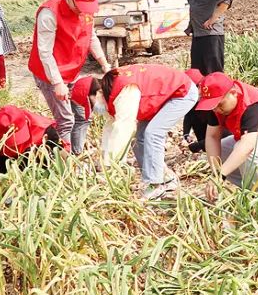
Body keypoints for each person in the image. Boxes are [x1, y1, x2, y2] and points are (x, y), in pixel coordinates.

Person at [71, 65, 199, 199]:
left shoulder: (124, 89)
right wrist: (104, 159)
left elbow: (124, 129)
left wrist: (111, 164)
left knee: (153, 133)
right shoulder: (109, 94)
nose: (93, 109)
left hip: (181, 92)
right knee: (139, 138)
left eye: (91, 104)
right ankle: (166, 178)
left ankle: (154, 184)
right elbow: (110, 129)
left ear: (97, 93)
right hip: (159, 97)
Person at [28, 0, 111, 153]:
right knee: (66, 120)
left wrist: (104, 64)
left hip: (72, 71)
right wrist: (57, 83)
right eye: (80, 6)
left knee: (83, 115)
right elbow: (44, 52)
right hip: (49, 72)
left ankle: (76, 155)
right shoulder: (49, 13)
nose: (83, 12)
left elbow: (91, 36)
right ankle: (63, 164)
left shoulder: (86, 10)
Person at [193, 72, 258, 196]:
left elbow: (247, 147)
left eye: (220, 104)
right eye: (213, 106)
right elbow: (212, 137)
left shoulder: (251, 103)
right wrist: (216, 173)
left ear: (233, 92)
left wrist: (221, 174)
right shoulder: (215, 106)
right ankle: (251, 188)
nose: (216, 110)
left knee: (245, 151)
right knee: (222, 149)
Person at [184, 0, 232, 145]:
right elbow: (193, 4)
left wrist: (213, 18)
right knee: (198, 79)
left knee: (214, 78)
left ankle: (223, 125)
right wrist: (190, 26)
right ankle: (203, 130)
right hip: (198, 35)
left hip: (212, 35)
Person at [0, 105, 63, 174]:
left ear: (26, 122)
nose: (15, 145)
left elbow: (61, 154)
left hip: (31, 162)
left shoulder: (45, 130)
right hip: (2, 160)